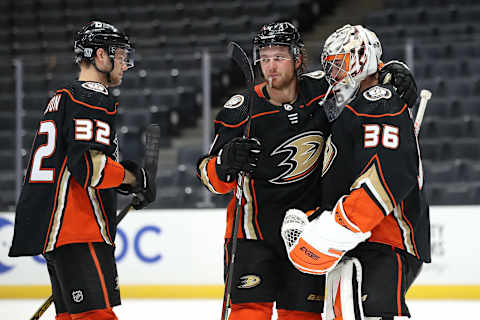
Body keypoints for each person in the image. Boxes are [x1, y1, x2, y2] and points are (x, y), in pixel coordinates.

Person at [196, 21, 418, 320]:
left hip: (306, 233)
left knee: (303, 316)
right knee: (248, 313)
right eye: (264, 57)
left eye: (279, 57)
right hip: (252, 234)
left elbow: (358, 74)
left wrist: (393, 71)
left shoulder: (323, 92)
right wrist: (224, 162)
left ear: (298, 58)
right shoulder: (240, 110)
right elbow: (208, 176)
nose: (270, 66)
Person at [9, 20, 156, 320]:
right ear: (100, 56)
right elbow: (92, 169)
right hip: (78, 227)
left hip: (56, 228)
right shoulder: (92, 96)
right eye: (119, 55)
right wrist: (134, 178)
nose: (125, 64)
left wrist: (127, 184)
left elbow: (73, 163)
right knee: (95, 316)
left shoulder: (62, 97)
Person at [281, 25, 430, 320]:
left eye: (341, 64)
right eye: (331, 66)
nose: (334, 75)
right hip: (361, 243)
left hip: (384, 240)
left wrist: (329, 234)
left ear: (363, 61)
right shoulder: (348, 108)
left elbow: (385, 180)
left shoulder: (379, 102)